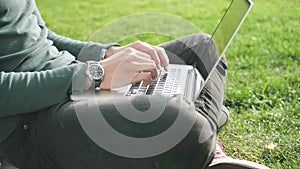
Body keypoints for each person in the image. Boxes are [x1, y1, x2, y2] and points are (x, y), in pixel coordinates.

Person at [0, 0, 269, 169]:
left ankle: (197, 133)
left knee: (202, 47)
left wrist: (105, 53)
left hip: (75, 78)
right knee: (178, 119)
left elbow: (39, 34)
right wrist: (93, 75)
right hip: (28, 120)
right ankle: (207, 136)